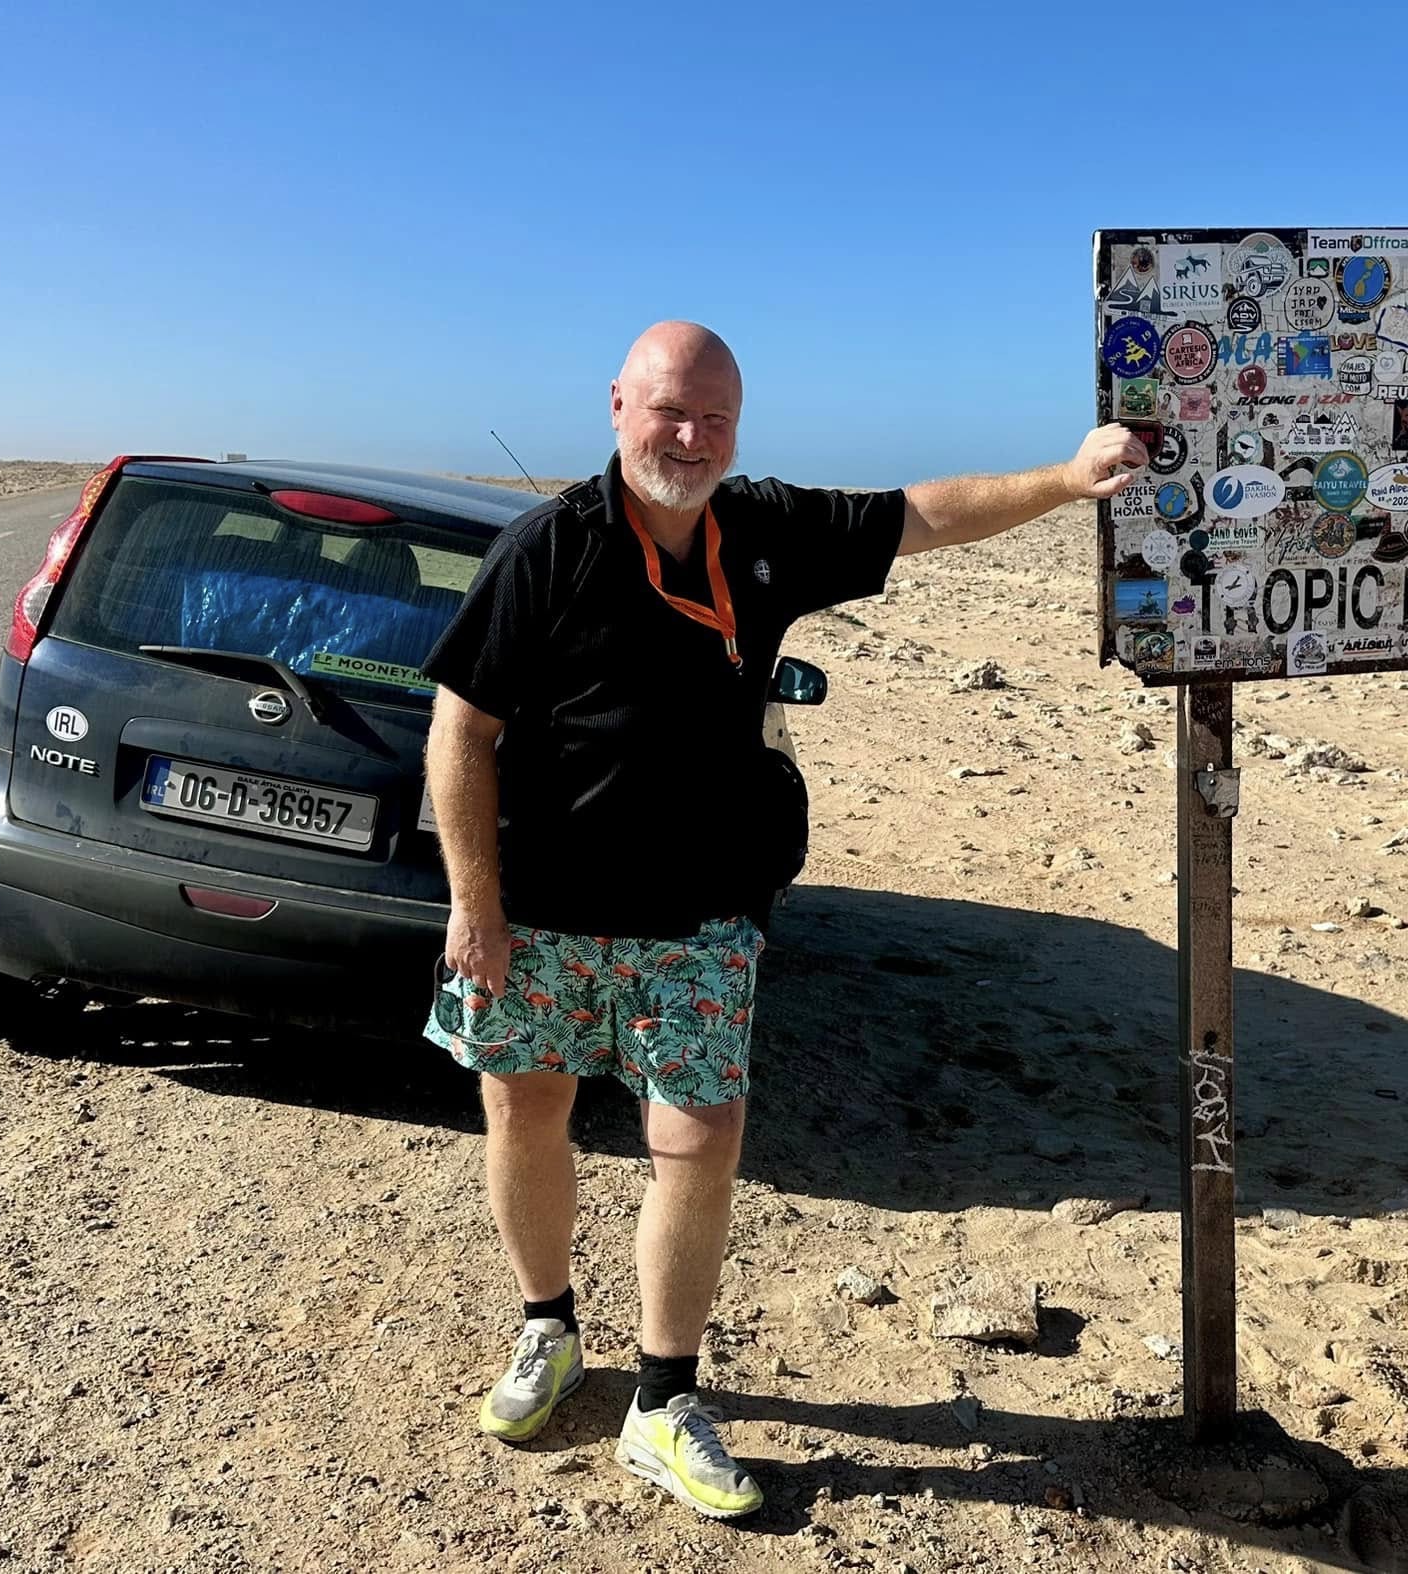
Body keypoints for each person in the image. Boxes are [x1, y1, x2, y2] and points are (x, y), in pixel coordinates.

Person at [419, 320, 1143, 1521]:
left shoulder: (761, 530)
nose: (689, 438)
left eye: (713, 417)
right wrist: (474, 906)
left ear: (737, 426)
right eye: (667, 411)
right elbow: (460, 730)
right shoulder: (548, 546)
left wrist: (1067, 480)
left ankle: (661, 1398)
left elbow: (927, 511)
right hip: (539, 913)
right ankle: (546, 1326)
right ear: (615, 407)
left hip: (700, 920)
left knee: (697, 1144)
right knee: (525, 1111)